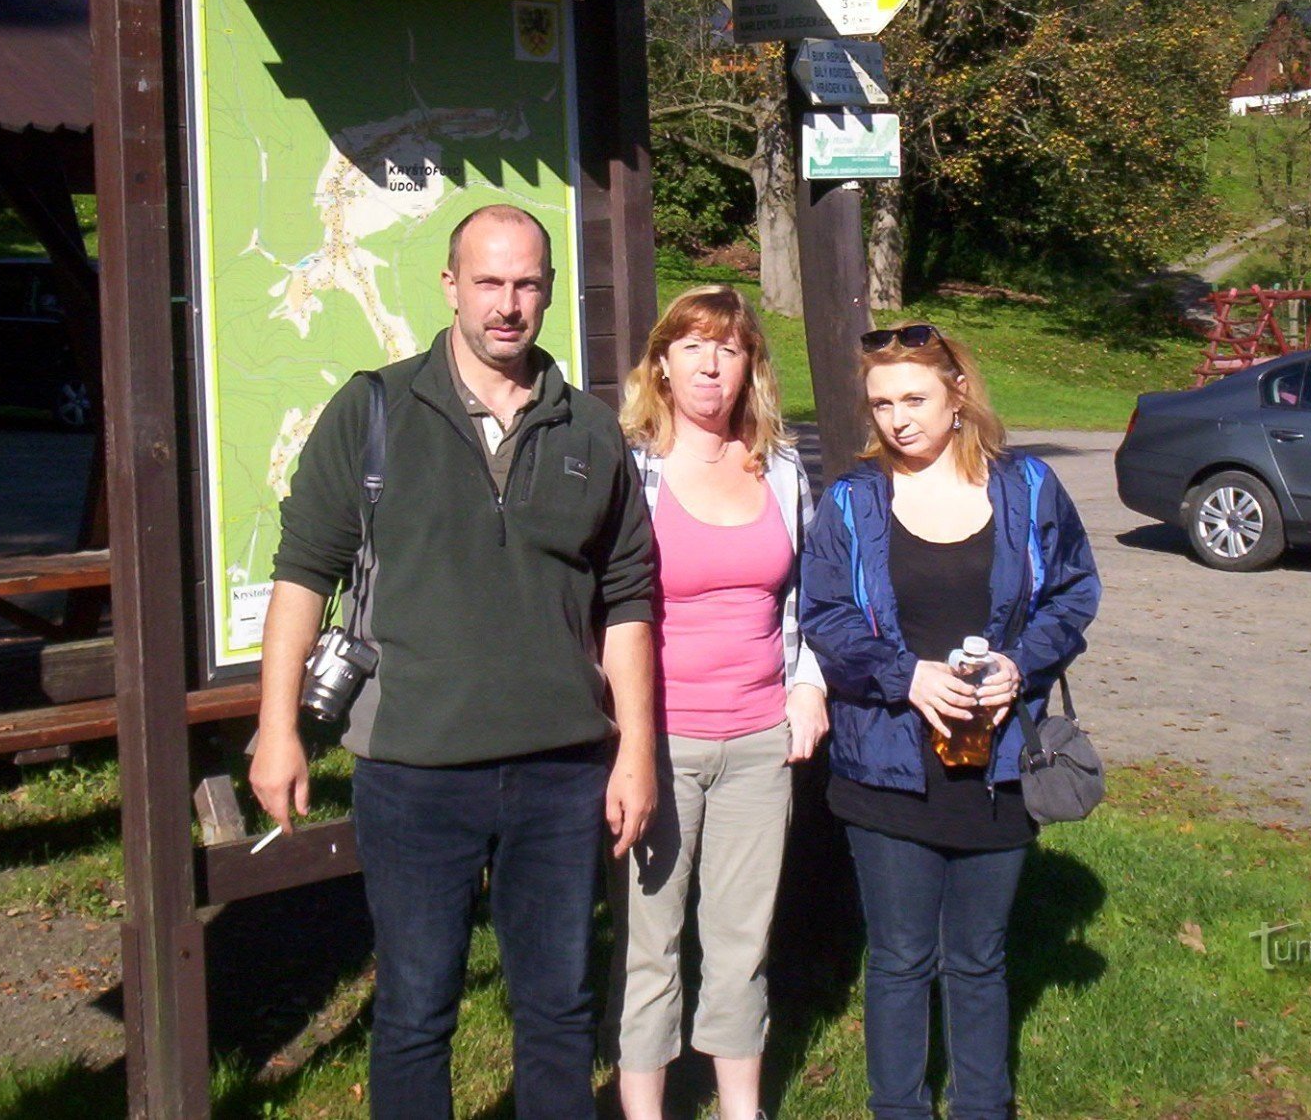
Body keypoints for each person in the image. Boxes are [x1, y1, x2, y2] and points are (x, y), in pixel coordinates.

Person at [249, 203, 658, 1120]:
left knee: (557, 1010)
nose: (507, 305)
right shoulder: (375, 410)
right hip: (415, 770)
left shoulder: (589, 430)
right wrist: (277, 731)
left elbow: (628, 600)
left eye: (526, 284)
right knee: (416, 1011)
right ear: (450, 286)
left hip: (560, 770)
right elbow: (301, 576)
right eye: (488, 282)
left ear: (548, 291)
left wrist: (635, 752)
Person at [799, 323, 1100, 1120]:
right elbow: (823, 616)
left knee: (977, 960)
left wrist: (1021, 664)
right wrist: (905, 676)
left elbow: (1074, 593)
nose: (897, 419)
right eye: (882, 403)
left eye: (915, 399)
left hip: (998, 766)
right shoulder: (852, 500)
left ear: (958, 393)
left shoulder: (1029, 487)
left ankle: (982, 1107)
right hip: (886, 765)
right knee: (899, 960)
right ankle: (897, 1108)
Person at [609, 285, 829, 1120]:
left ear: (751, 367)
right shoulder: (632, 465)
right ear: (661, 362)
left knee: (741, 943)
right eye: (693, 346)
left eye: (729, 349)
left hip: (758, 742)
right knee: (650, 945)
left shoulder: (777, 464)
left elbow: (809, 594)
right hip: (655, 744)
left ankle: (742, 1109)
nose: (710, 364)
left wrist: (807, 685)